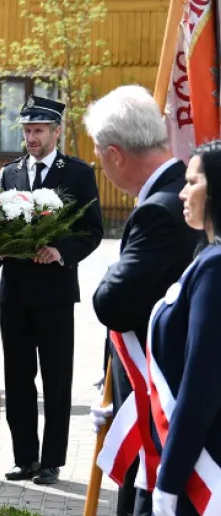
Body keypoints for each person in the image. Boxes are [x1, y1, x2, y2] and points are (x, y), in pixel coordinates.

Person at [84, 85, 200, 516]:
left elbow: (112, 301)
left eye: (98, 153)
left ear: (115, 154)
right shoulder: (183, 188)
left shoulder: (160, 209)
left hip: (162, 399)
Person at [0, 95, 104, 485]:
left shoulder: (75, 173)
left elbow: (92, 231)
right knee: (18, 379)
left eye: (38, 130)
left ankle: (51, 460)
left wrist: (61, 251)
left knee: (56, 379)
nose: (31, 137)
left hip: (55, 294)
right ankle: (24, 458)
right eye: (26, 130)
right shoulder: (9, 173)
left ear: (56, 131)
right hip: (14, 295)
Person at [145, 140, 221, 516]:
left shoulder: (216, 266)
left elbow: (201, 383)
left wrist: (169, 480)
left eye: (193, 182)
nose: (182, 192)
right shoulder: (208, 258)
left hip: (206, 462)